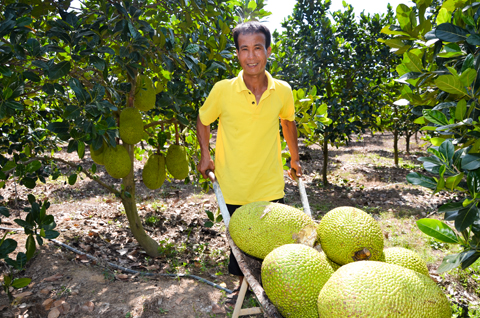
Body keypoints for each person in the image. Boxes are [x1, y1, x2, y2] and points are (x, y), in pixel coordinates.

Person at [196, 21, 302, 304]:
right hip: (234, 182)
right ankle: (243, 283)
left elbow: (288, 122)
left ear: (268, 50)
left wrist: (294, 158)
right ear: (237, 54)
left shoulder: (283, 90)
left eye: (257, 48)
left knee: (274, 238)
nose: (251, 56)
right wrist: (205, 155)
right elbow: (204, 120)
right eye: (244, 49)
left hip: (269, 180)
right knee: (240, 241)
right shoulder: (222, 90)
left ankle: (272, 285)